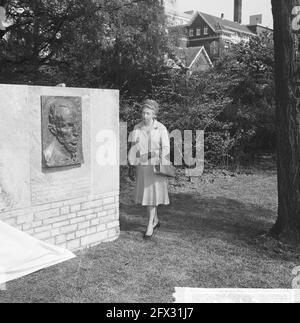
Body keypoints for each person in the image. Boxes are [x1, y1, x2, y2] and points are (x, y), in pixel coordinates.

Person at [129, 99, 170, 239]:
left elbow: (166, 148)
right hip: (142, 167)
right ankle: (156, 220)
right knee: (149, 196)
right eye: (143, 113)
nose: (144, 116)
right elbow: (133, 147)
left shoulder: (161, 128)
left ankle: (149, 225)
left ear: (154, 115)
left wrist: (154, 154)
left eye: (148, 113)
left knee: (151, 198)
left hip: (155, 167)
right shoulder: (137, 128)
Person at [43, 99, 80, 168]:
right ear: (53, 129)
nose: (76, 132)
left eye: (76, 124)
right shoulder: (49, 157)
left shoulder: (75, 154)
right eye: (69, 125)